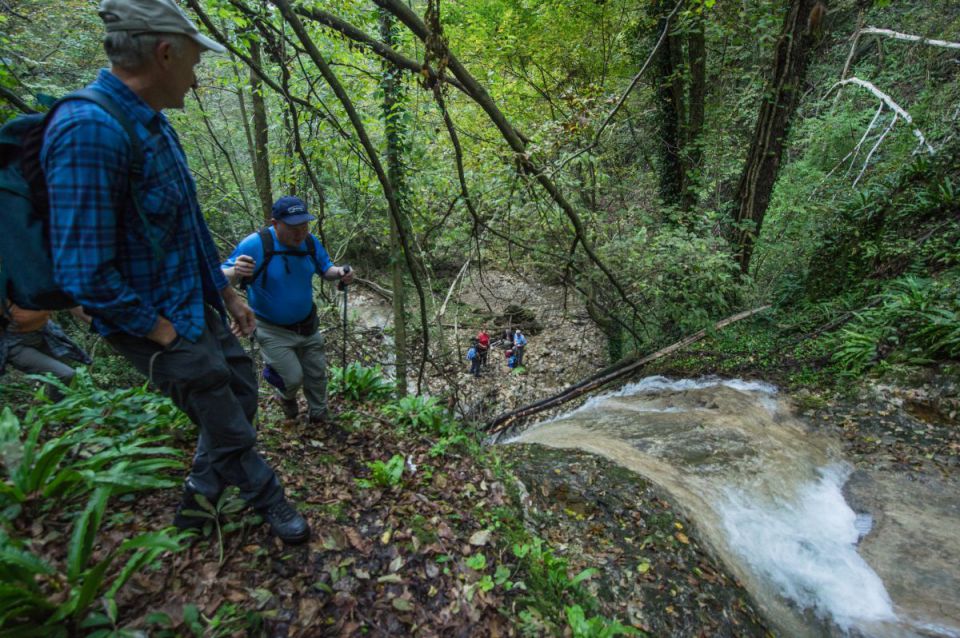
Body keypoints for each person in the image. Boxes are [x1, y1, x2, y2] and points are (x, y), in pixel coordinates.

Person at [44, 0, 308, 544]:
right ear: (164, 54)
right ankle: (272, 504)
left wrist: (227, 296)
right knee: (225, 418)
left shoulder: (154, 126)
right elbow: (81, 272)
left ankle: (196, 505)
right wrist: (158, 330)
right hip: (153, 321)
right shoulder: (88, 131)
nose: (196, 79)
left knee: (240, 389)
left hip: (193, 301)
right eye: (192, 63)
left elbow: (186, 227)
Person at [222, 195, 354, 425]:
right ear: (275, 224)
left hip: (307, 324)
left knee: (316, 374)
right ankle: (286, 396)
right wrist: (235, 271)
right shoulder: (256, 244)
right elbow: (218, 277)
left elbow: (326, 269)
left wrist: (341, 273)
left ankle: (319, 415)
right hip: (271, 328)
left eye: (304, 225)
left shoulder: (310, 243)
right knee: (292, 378)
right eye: (293, 227)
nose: (300, 232)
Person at [1, 304, 92, 400]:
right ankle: (57, 411)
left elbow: (73, 304)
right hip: (14, 344)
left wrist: (100, 324)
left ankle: (43, 398)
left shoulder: (47, 290)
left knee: (69, 373)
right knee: (66, 375)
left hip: (45, 333)